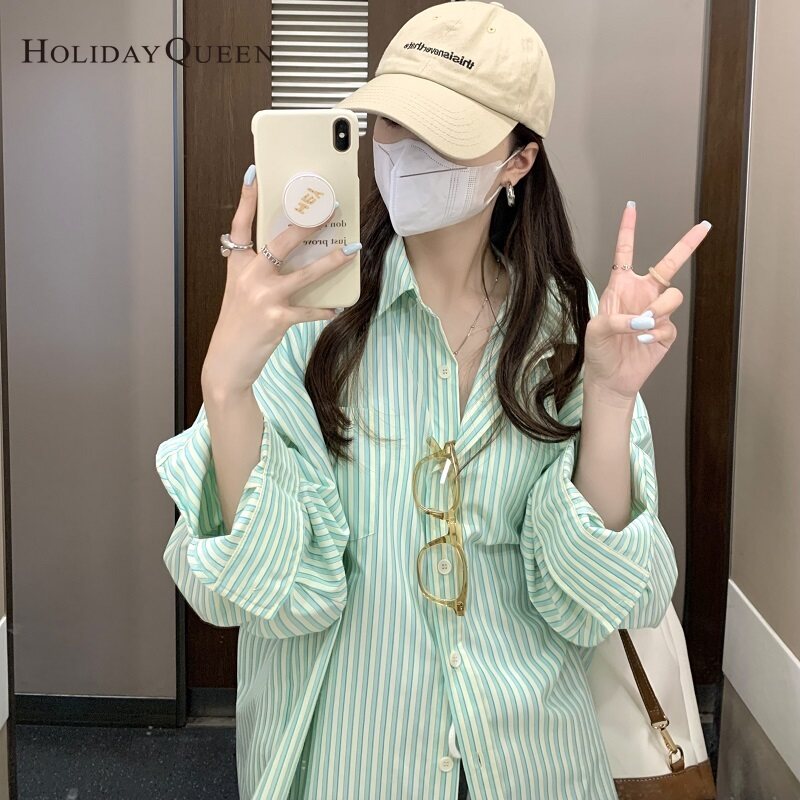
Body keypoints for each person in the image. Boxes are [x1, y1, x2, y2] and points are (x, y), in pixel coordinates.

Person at [155, 1, 711, 798]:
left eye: (444, 132)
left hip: (529, 757)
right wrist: (226, 383)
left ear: (518, 161)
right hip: (350, 758)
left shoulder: (575, 325)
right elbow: (260, 592)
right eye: (392, 122)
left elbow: (597, 601)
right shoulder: (303, 321)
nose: (406, 150)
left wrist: (611, 398)